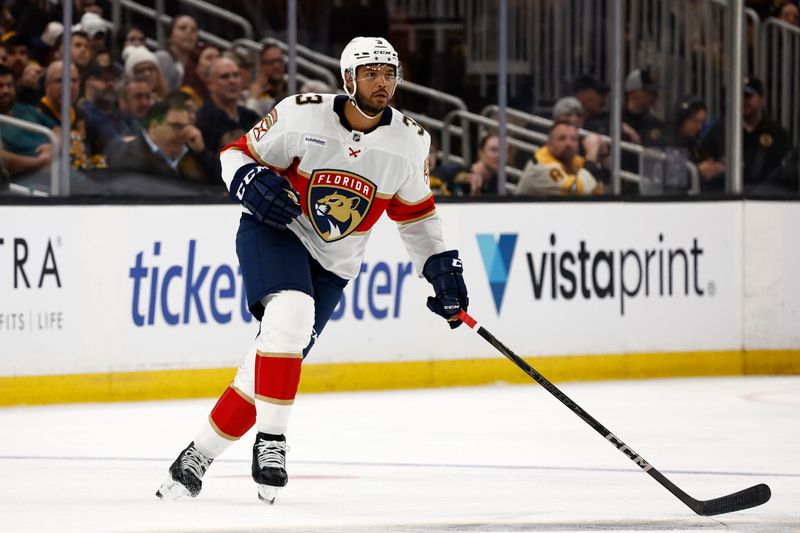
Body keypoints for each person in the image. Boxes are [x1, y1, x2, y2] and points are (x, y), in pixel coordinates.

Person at [155, 36, 469, 504]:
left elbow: (417, 217)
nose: (382, 82)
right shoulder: (302, 113)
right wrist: (249, 180)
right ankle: (273, 442)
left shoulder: (410, 141)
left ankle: (195, 458)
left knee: (266, 363)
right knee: (293, 312)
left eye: (389, 73)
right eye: (371, 73)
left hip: (334, 263)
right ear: (348, 79)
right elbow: (233, 154)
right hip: (275, 230)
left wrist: (441, 269)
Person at [700, 76, 791, 191]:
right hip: (725, 198)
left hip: (768, 200)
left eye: (748, 96)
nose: (743, 101)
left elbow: (786, 173)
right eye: (738, 96)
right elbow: (704, 164)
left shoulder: (777, 134)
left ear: (762, 99)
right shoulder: (717, 131)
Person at [106, 97, 220, 187]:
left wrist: (202, 153)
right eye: (177, 126)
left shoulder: (191, 151)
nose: (185, 133)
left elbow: (226, 183)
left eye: (187, 126)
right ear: (154, 127)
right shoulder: (130, 157)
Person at [515, 121, 603, 196]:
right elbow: (578, 191)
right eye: (562, 138)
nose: (569, 144)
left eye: (573, 139)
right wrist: (591, 155)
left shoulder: (574, 160)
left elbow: (596, 188)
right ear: (549, 144)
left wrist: (603, 154)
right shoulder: (542, 166)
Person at [195, 56, 259, 152]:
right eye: (224, 76)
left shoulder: (251, 117)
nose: (232, 81)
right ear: (210, 84)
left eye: (236, 75)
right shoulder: (203, 121)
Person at [0, 64, 52, 176]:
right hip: (26, 180)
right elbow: (3, 160)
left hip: (56, 167)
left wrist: (53, 146)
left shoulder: (25, 109)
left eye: (9, 85)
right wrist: (39, 163)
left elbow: (56, 128)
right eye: (0, 86)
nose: (6, 91)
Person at [155, 15, 199, 92]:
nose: (189, 32)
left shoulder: (198, 64)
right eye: (182, 28)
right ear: (170, 36)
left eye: (193, 30)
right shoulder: (161, 59)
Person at [245, 43, 287, 116]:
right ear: (261, 66)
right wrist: (253, 96)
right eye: (271, 62)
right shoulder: (255, 95)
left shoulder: (292, 88)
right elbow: (249, 121)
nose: (277, 65)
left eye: (279, 60)